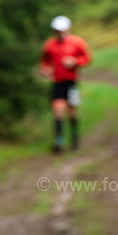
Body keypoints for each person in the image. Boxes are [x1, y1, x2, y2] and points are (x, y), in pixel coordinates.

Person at [40, 16, 92, 153]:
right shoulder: (49, 44)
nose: (60, 33)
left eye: (62, 30)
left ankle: (75, 139)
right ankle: (59, 141)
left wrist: (75, 61)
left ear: (68, 29)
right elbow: (44, 61)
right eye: (57, 30)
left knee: (72, 111)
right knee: (58, 110)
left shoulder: (77, 43)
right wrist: (45, 69)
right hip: (57, 82)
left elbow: (87, 59)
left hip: (71, 82)